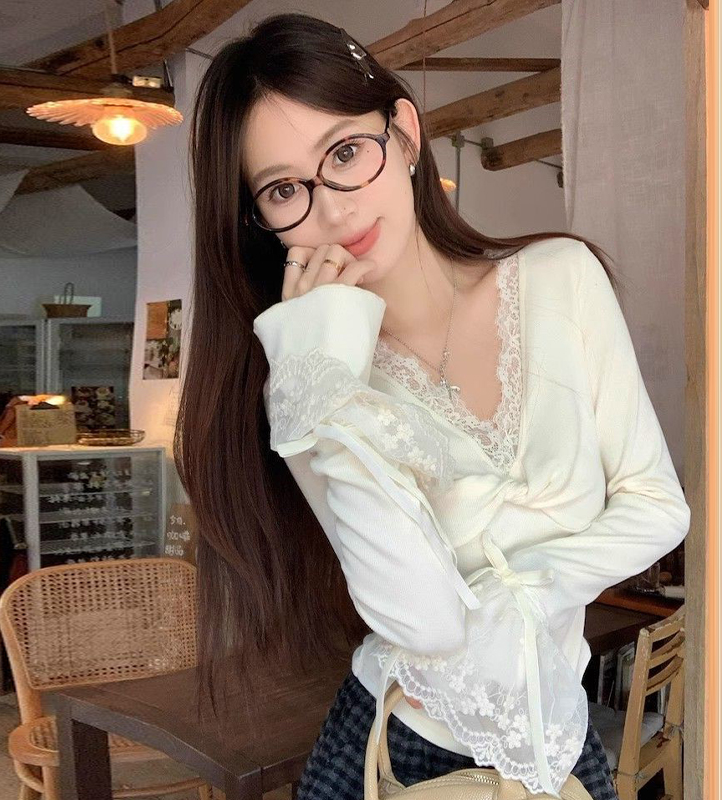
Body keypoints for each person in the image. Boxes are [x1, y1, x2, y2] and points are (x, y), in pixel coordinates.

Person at [175, 11, 691, 800]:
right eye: (283, 189)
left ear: (406, 134)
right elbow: (423, 622)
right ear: (260, 219)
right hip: (389, 750)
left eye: (346, 152)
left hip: (553, 739)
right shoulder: (308, 382)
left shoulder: (560, 279)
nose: (335, 209)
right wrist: (323, 377)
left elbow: (658, 506)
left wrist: (526, 592)